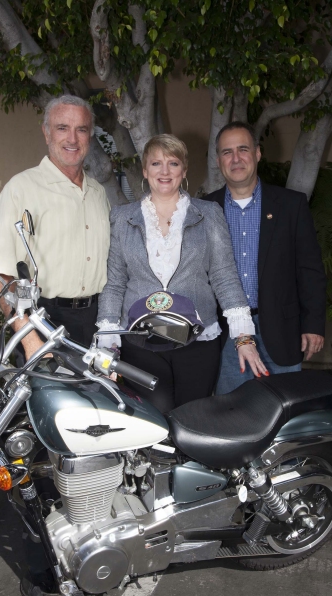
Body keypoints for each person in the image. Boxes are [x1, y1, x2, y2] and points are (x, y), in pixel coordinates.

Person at [96, 134, 268, 413]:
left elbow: (224, 276)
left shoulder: (209, 213)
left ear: (184, 171)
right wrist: (107, 341)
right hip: (139, 341)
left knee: (193, 418)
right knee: (154, 419)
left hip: (198, 342)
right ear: (144, 170)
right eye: (156, 163)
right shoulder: (122, 217)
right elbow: (115, 283)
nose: (164, 172)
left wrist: (244, 338)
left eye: (173, 163)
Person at [205, 121, 326, 394]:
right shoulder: (205, 209)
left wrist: (313, 325)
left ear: (258, 153)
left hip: (282, 332)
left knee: (281, 416)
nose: (236, 159)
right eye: (227, 152)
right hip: (225, 337)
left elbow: (310, 270)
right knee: (231, 417)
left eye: (243, 149)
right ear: (218, 160)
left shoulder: (291, 205)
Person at [0, 95, 110, 359]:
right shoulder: (21, 189)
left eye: (81, 129)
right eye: (62, 128)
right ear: (46, 133)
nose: (72, 139)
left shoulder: (99, 193)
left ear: (90, 135)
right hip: (41, 321)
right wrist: (30, 338)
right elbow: (4, 278)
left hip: (95, 323)